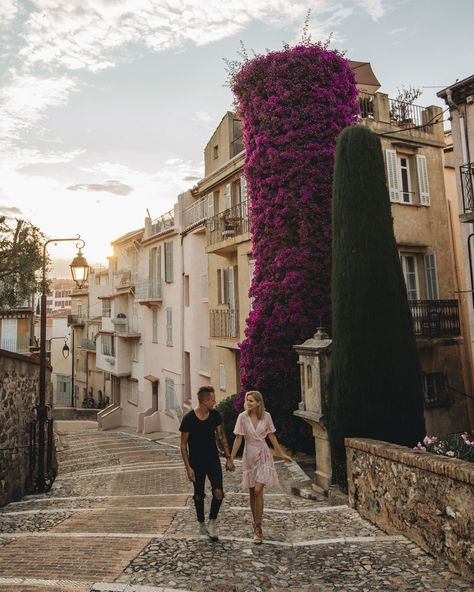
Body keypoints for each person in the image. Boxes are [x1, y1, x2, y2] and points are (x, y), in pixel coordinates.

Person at [228, 390, 292, 544]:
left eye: (251, 400)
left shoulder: (266, 416)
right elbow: (238, 438)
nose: (248, 403)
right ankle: (255, 524)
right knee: (252, 493)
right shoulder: (242, 417)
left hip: (263, 455)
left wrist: (282, 454)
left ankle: (258, 527)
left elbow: (271, 436)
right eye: (247, 400)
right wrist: (230, 457)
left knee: (258, 490)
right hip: (249, 456)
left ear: (258, 402)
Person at [179, 385, 232, 541]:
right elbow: (183, 445)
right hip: (196, 462)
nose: (215, 402)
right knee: (198, 495)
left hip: (212, 460)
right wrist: (188, 467)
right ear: (205, 401)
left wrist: (228, 457)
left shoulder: (215, 415)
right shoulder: (189, 419)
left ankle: (212, 523)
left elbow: (221, 437)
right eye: (212, 400)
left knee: (219, 493)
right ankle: (201, 523)